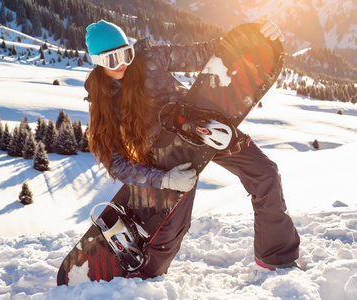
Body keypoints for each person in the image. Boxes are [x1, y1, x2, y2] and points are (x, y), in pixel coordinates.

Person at [83, 18, 300, 278]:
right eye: (109, 60)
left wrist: (255, 37)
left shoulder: (148, 58)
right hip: (167, 157)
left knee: (265, 173)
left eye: (124, 54)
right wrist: (163, 180)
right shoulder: (104, 100)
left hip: (199, 126)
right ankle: (139, 280)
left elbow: (202, 53)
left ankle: (276, 257)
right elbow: (115, 162)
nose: (119, 64)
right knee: (172, 230)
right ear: (96, 63)